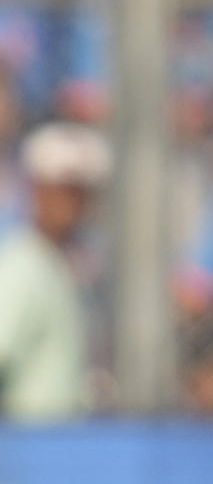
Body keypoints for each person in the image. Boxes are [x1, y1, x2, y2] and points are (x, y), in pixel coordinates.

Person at [0, 121, 111, 420]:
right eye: (63, 188)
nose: (73, 202)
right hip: (29, 442)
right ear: (38, 189)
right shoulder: (22, 266)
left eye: (81, 191)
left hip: (64, 442)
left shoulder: (75, 266)